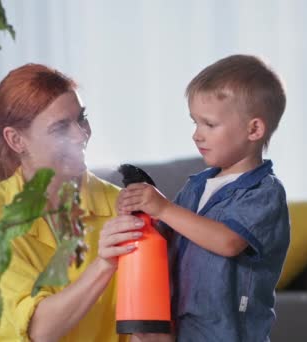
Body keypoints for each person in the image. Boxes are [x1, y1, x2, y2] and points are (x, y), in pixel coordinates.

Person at [117, 54, 290, 341]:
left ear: (254, 130)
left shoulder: (264, 193)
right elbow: (170, 236)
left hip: (227, 334)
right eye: (195, 123)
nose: (197, 135)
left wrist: (163, 207)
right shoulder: (196, 186)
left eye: (209, 125)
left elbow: (228, 241)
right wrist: (141, 214)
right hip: (182, 328)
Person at [0, 63, 140, 341]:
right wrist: (105, 264)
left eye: (81, 118)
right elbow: (39, 330)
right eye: (60, 128)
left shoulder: (120, 205)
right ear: (16, 140)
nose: (81, 135)